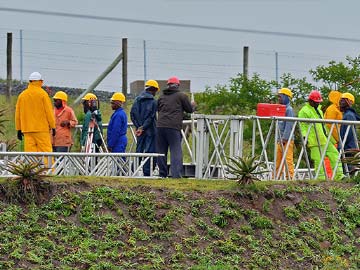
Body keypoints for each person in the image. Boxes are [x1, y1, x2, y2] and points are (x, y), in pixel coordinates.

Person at [298, 90, 344, 180]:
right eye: (316, 102)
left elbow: (323, 125)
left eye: (319, 102)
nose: (317, 104)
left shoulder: (318, 110)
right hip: (314, 140)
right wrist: (304, 136)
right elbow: (302, 125)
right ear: (310, 101)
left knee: (334, 154)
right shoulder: (304, 111)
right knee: (318, 160)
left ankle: (339, 176)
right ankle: (321, 179)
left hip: (324, 138)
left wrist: (331, 137)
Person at [156, 76, 195, 178]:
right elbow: (189, 110)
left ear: (168, 85)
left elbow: (158, 109)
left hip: (160, 126)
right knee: (175, 150)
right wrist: (193, 105)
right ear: (177, 85)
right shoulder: (181, 96)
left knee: (161, 151)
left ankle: (162, 174)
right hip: (173, 126)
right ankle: (176, 175)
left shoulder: (161, 97)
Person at [15, 72, 56, 153]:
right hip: (42, 130)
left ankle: (33, 166)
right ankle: (47, 166)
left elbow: (17, 114)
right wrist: (53, 126)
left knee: (30, 155)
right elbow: (49, 112)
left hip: (27, 130)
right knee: (46, 153)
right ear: (40, 81)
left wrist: (19, 129)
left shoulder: (22, 95)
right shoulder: (43, 94)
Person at [130, 80, 159, 176]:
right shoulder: (153, 102)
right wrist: (143, 127)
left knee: (139, 151)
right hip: (150, 131)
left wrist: (138, 127)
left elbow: (132, 114)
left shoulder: (137, 100)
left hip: (140, 131)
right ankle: (147, 173)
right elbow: (151, 117)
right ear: (153, 90)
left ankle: (133, 171)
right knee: (150, 152)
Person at [275, 88, 295, 180]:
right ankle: (276, 177)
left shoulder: (289, 110)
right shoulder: (280, 109)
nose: (279, 99)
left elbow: (289, 125)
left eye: (280, 97)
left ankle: (290, 178)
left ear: (286, 97)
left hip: (287, 140)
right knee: (278, 160)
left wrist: (285, 138)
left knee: (288, 160)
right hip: (279, 139)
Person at [339, 92, 360, 175]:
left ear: (349, 102)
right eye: (340, 100)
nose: (340, 102)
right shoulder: (348, 114)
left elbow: (348, 134)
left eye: (343, 100)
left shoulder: (349, 115)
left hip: (348, 148)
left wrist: (342, 145)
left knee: (350, 172)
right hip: (349, 147)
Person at [323, 90, 343, 178]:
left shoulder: (336, 109)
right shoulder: (332, 109)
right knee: (330, 157)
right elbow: (330, 125)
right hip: (332, 138)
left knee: (333, 157)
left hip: (334, 137)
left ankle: (333, 175)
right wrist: (338, 138)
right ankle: (330, 176)